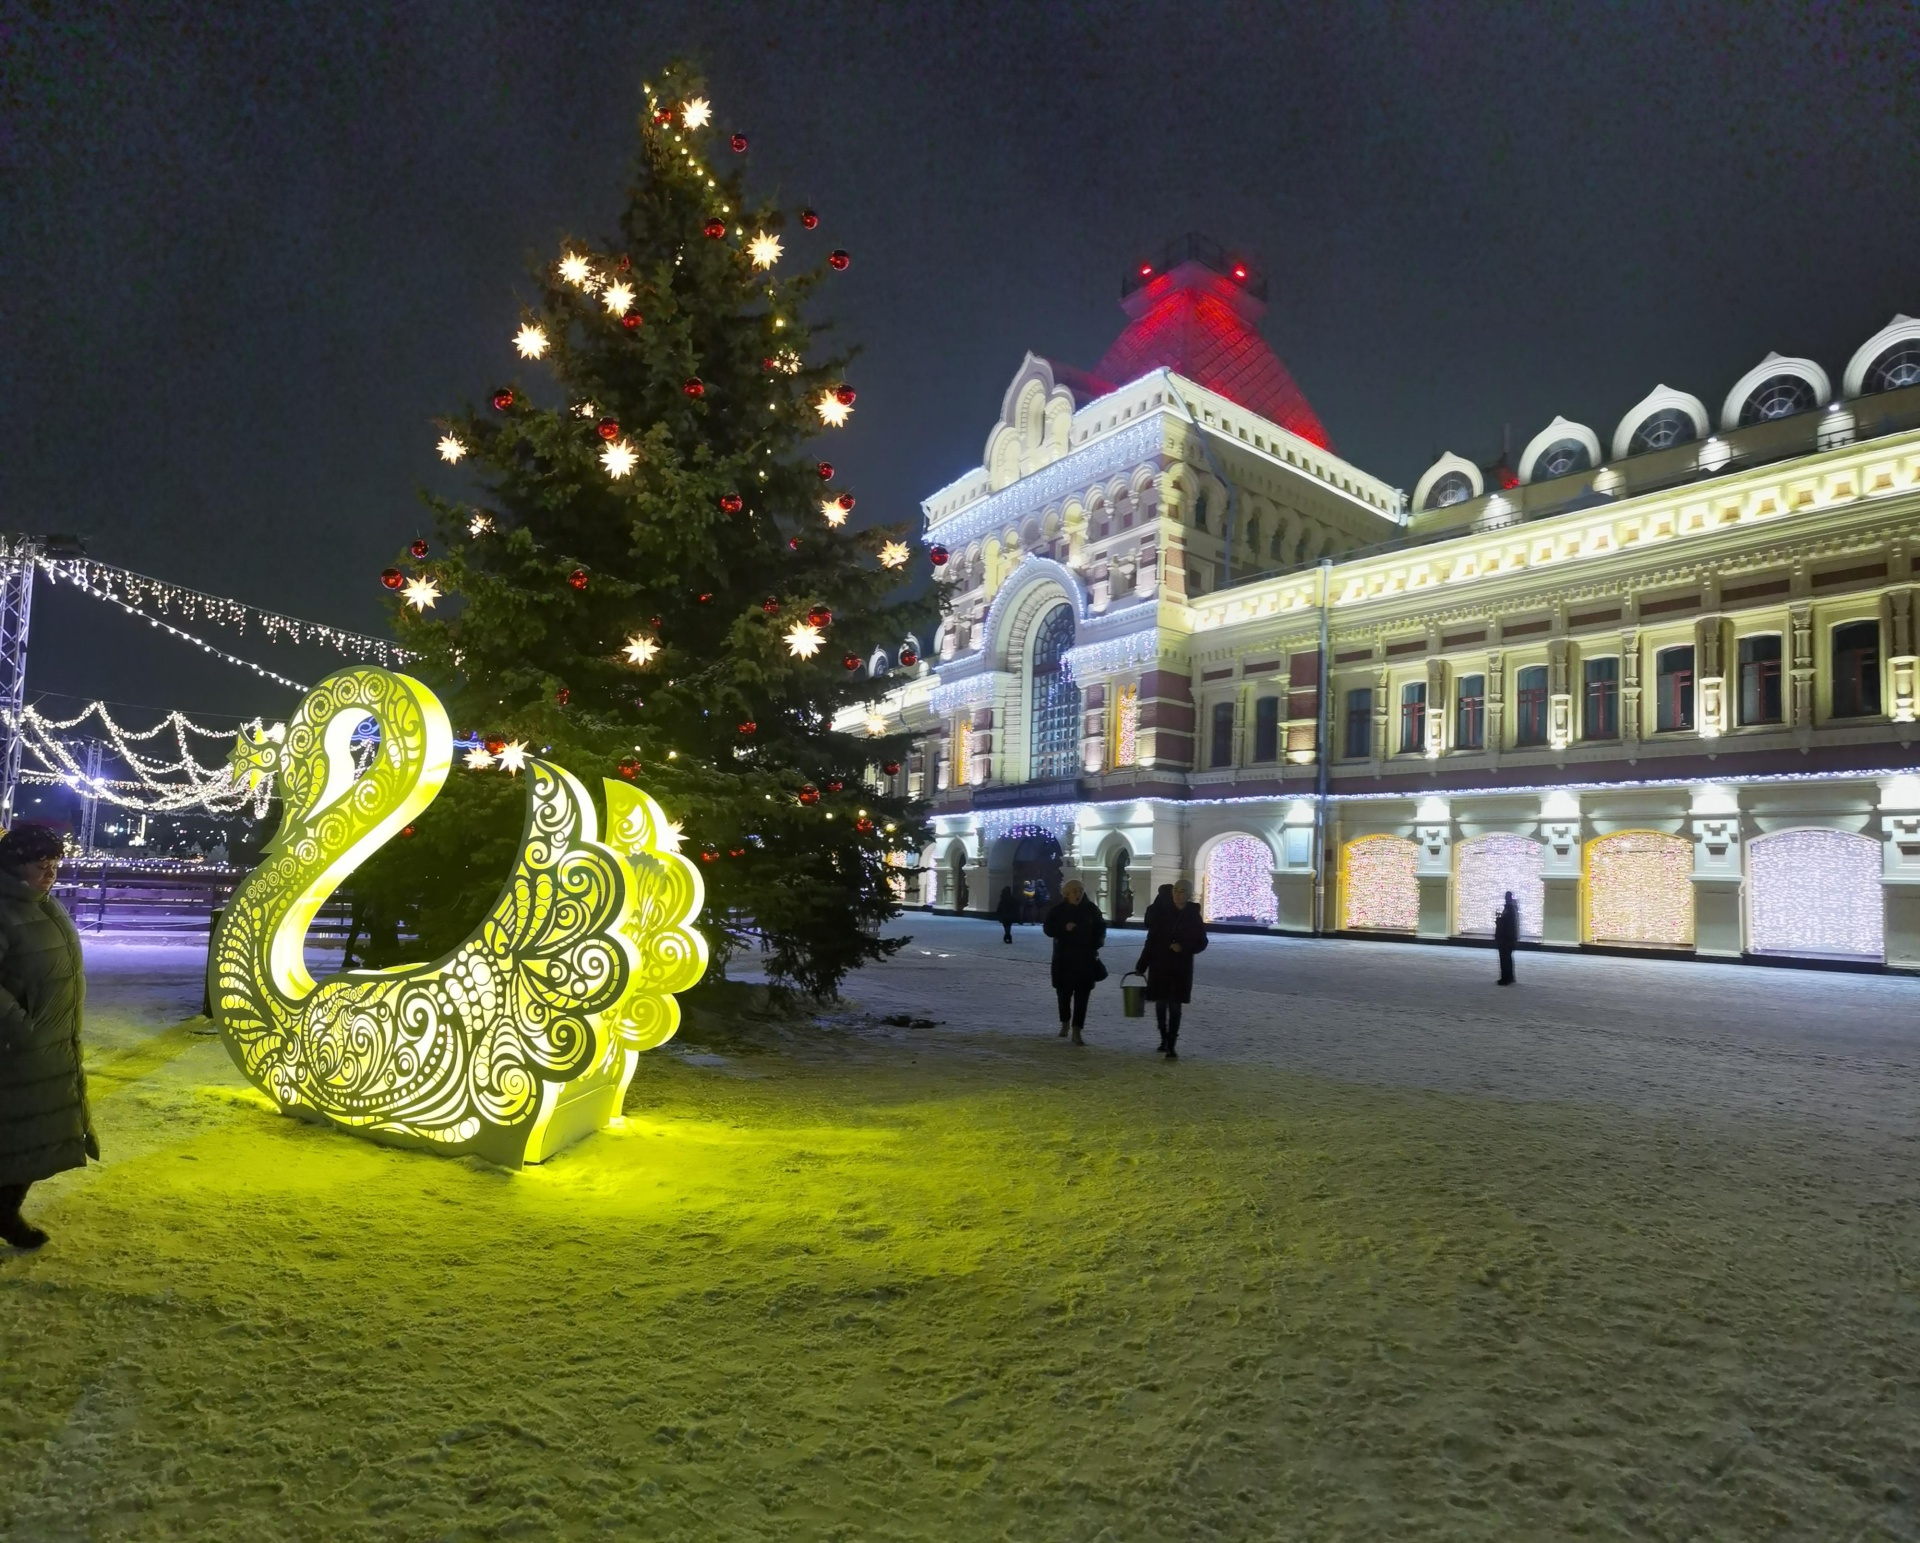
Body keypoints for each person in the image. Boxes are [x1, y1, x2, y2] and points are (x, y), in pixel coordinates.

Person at [0, 824, 95, 1250]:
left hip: (50, 1045)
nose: (51, 873)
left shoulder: (44, 905)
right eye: (42, 865)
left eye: (56, 865)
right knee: (16, 1135)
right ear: (15, 863)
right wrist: (22, 1026)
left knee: (32, 1136)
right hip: (17, 1048)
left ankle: (4, 1210)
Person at [1137, 879, 1208, 1058]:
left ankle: (1171, 1044)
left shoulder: (1193, 915)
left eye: (1182, 891)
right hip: (1160, 965)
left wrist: (1183, 947)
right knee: (1161, 1004)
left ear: (1189, 894)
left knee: (1175, 1006)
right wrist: (1142, 964)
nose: (1178, 894)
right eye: (1175, 890)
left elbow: (1202, 942)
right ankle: (1163, 1037)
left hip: (1180, 968)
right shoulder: (1161, 914)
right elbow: (1151, 941)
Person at [1043, 879, 1107, 1044]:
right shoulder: (1058, 911)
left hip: (1084, 960)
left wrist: (1096, 943)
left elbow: (1101, 928)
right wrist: (1063, 928)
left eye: (1080, 890)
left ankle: (1077, 1029)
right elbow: (1048, 929)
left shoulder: (1091, 910)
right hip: (1063, 960)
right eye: (1074, 891)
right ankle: (1065, 1023)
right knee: (1063, 995)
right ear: (1066, 894)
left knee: (1082, 996)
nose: (1077, 894)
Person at [1494, 890, 1520, 985]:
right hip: (1508, 938)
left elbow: (1507, 925)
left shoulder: (1509, 909)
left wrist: (1499, 920)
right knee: (1507, 958)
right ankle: (1509, 977)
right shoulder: (1512, 908)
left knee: (1505, 959)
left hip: (1506, 939)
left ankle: (1506, 978)